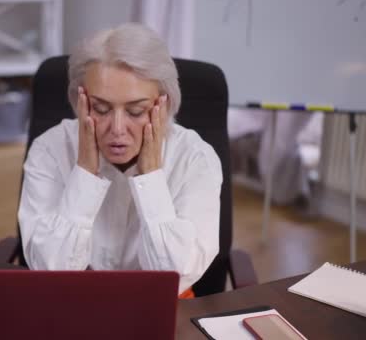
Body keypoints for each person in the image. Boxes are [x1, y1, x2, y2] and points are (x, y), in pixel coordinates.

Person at [18, 23, 222, 296]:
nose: (117, 129)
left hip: (160, 308)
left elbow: (175, 278)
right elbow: (49, 272)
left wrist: (151, 178)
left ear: (166, 104)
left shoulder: (196, 158)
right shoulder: (49, 150)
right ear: (79, 101)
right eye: (100, 109)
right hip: (73, 302)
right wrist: (85, 174)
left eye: (136, 111)